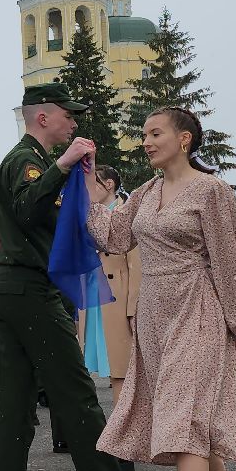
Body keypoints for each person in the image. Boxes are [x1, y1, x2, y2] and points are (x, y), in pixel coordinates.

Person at [0, 84, 172, 471]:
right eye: (69, 115)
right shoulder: (26, 159)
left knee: (15, 403)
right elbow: (29, 209)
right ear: (43, 116)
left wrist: (71, 173)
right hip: (29, 289)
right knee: (78, 397)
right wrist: (65, 164)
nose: (75, 123)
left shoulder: (37, 161)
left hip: (14, 286)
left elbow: (63, 218)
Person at [83, 108, 236, 471]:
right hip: (156, 317)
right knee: (192, 427)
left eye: (154, 133)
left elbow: (229, 261)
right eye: (143, 134)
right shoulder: (144, 192)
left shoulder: (212, 191)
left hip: (199, 309)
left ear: (185, 139)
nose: (145, 141)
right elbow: (114, 238)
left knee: (184, 420)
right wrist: (94, 195)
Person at [89, 168, 142, 397]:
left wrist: (133, 309)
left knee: (121, 368)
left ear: (109, 184)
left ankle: (123, 426)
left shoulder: (126, 213)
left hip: (117, 297)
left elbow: (136, 266)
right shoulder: (88, 214)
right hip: (92, 296)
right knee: (102, 364)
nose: (88, 190)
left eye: (94, 183)